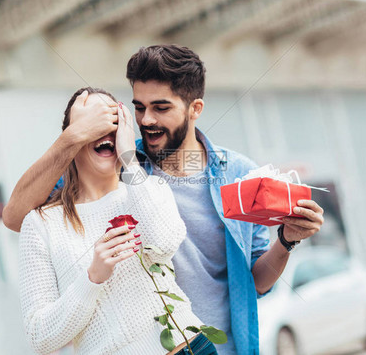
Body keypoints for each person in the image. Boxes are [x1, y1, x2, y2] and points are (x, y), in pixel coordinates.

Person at [6, 45, 324, 355]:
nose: (146, 121)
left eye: (161, 108)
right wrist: (74, 136)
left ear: (194, 108)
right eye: (140, 107)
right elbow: (17, 216)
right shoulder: (115, 167)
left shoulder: (239, 175)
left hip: (218, 346)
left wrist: (285, 241)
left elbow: (256, 282)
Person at [18, 87, 218, 355]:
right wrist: (92, 279)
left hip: (189, 348)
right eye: (92, 123)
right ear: (73, 136)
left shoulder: (149, 187)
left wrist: (129, 159)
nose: (104, 130)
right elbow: (39, 337)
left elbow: (164, 243)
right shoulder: (41, 224)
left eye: (114, 121)